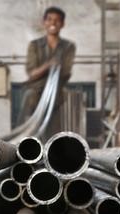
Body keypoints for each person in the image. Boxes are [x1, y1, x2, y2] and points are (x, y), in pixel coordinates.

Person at [19, 6, 76, 139]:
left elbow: (65, 73)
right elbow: (31, 73)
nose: (53, 23)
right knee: (30, 135)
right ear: (44, 23)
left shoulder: (68, 47)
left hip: (55, 100)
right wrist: (49, 65)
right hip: (34, 98)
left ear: (62, 24)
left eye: (57, 20)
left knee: (53, 137)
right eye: (49, 19)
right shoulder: (34, 45)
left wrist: (43, 72)